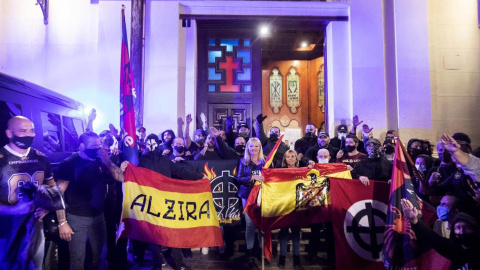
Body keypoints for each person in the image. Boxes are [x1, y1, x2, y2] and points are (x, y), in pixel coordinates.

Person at [56, 131, 125, 270]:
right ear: (82, 146)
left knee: (100, 255)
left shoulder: (100, 160)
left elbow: (121, 177)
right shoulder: (70, 163)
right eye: (94, 146)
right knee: (77, 259)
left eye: (99, 145)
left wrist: (107, 160)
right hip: (76, 217)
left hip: (98, 217)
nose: (97, 149)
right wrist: (62, 222)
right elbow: (57, 194)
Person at [138, 142, 205, 270]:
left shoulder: (142, 161)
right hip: (165, 202)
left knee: (154, 235)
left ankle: (157, 265)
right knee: (172, 233)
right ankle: (179, 264)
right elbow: (181, 171)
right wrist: (200, 177)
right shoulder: (163, 160)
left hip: (153, 203)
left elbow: (179, 170)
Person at [0, 116, 55, 269]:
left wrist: (47, 206)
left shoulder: (42, 158)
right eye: (23, 131)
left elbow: (51, 186)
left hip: (34, 228)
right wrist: (13, 210)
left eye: (31, 131)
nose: (29, 135)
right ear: (9, 133)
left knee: (35, 266)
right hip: (5, 230)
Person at [402, 199, 480, 269]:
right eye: (458, 228)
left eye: (466, 227)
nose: (462, 231)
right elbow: (431, 238)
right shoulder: (454, 250)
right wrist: (414, 220)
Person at [237, 138, 265, 266]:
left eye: (256, 146)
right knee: (249, 225)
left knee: (260, 225)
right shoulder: (243, 161)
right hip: (247, 196)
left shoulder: (265, 162)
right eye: (251, 146)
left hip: (262, 197)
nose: (254, 149)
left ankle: (259, 251)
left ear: (260, 148)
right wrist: (252, 177)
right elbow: (239, 178)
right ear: (248, 148)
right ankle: (249, 252)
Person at [278, 150, 301, 269]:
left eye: (293, 156)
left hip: (297, 206)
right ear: (285, 159)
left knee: (296, 232)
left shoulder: (302, 171)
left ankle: (296, 256)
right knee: (284, 232)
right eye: (288, 157)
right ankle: (282, 256)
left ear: (296, 159)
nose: (290, 159)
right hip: (284, 205)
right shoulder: (280, 171)